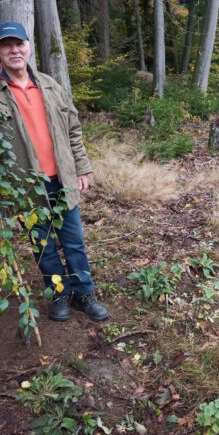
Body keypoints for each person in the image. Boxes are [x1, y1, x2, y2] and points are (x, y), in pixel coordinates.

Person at [0, 21, 108, 323]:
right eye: (6, 45)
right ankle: (60, 293)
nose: (14, 50)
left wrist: (81, 167)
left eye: (19, 44)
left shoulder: (50, 86)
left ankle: (84, 293)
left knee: (74, 241)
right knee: (43, 245)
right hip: (26, 186)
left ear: (28, 48)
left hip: (62, 179)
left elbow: (73, 130)